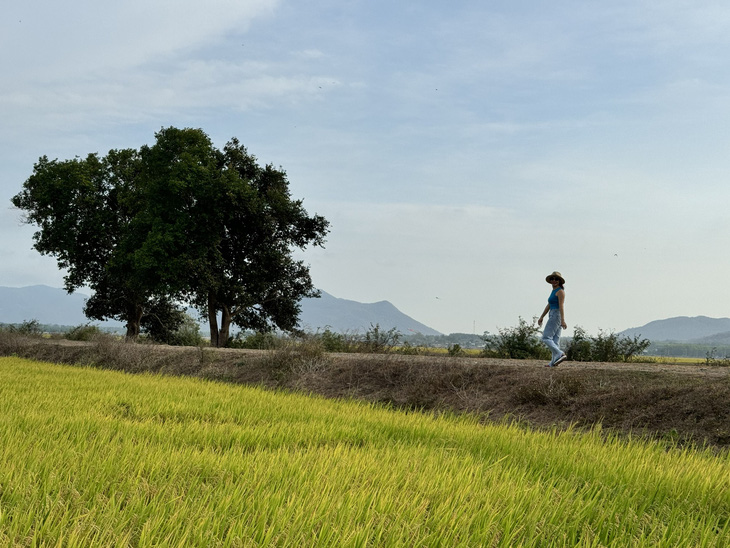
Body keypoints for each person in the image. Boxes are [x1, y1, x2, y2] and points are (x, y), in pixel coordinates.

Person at [537, 271, 568, 367]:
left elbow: (561, 306)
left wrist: (562, 320)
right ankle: (553, 363)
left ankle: (560, 354)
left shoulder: (560, 292)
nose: (554, 280)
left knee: (546, 337)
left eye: (556, 279)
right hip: (552, 314)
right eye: (552, 279)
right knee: (555, 341)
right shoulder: (553, 291)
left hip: (556, 314)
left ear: (559, 281)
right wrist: (542, 316)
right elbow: (549, 305)